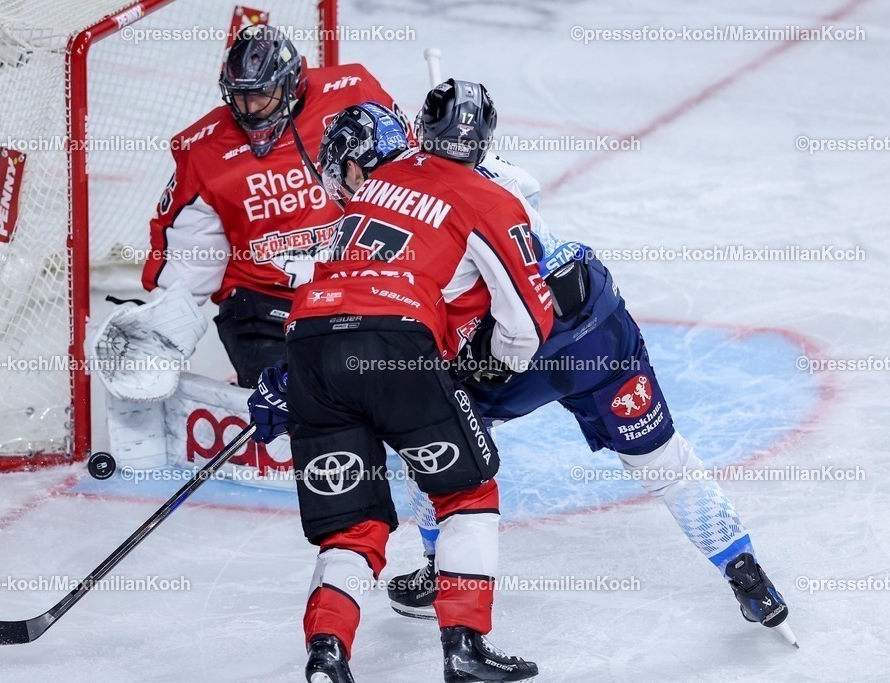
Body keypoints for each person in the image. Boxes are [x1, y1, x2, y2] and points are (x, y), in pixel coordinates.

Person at [383, 80, 796, 648]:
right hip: (599, 325)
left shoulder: (433, 199)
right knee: (664, 462)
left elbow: (510, 316)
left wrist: (491, 365)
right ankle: (746, 571)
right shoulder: (504, 174)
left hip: (525, 343)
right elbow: (523, 193)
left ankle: (439, 570)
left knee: (427, 442)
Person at [249, 100, 552, 682]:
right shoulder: (489, 194)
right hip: (397, 341)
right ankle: (463, 647)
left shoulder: (368, 193)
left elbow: (328, 290)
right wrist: (496, 364)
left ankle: (327, 653)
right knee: (466, 493)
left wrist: (286, 379)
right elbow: (528, 323)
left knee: (352, 525)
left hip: (310, 343)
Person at [141, 24, 402, 387]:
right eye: (240, 97)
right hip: (259, 304)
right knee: (295, 399)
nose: (250, 110)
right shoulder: (206, 151)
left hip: (350, 290)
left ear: (292, 84)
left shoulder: (352, 94)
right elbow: (191, 249)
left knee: (381, 386)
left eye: (262, 95)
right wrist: (162, 332)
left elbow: (404, 174)